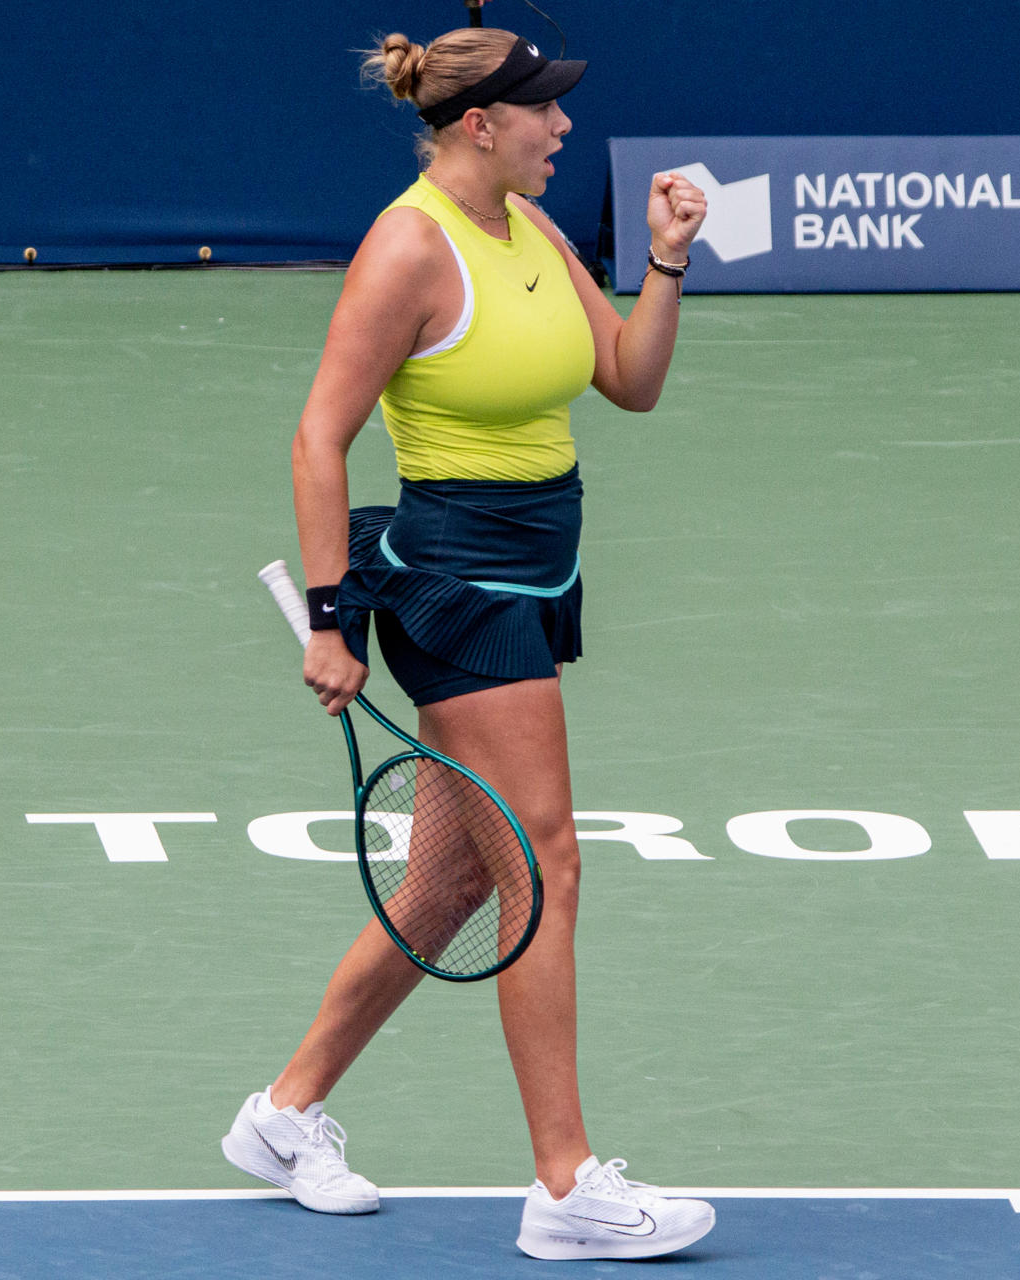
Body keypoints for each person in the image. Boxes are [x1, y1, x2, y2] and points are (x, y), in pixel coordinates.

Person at [219, 24, 715, 1263]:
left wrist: (664, 263)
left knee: (450, 881)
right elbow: (317, 437)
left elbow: (629, 379)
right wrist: (332, 620)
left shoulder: (532, 227)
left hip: (542, 563)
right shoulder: (407, 248)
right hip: (456, 580)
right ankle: (567, 1186)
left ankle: (282, 1115)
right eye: (542, 111)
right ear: (479, 124)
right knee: (543, 856)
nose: (562, 127)